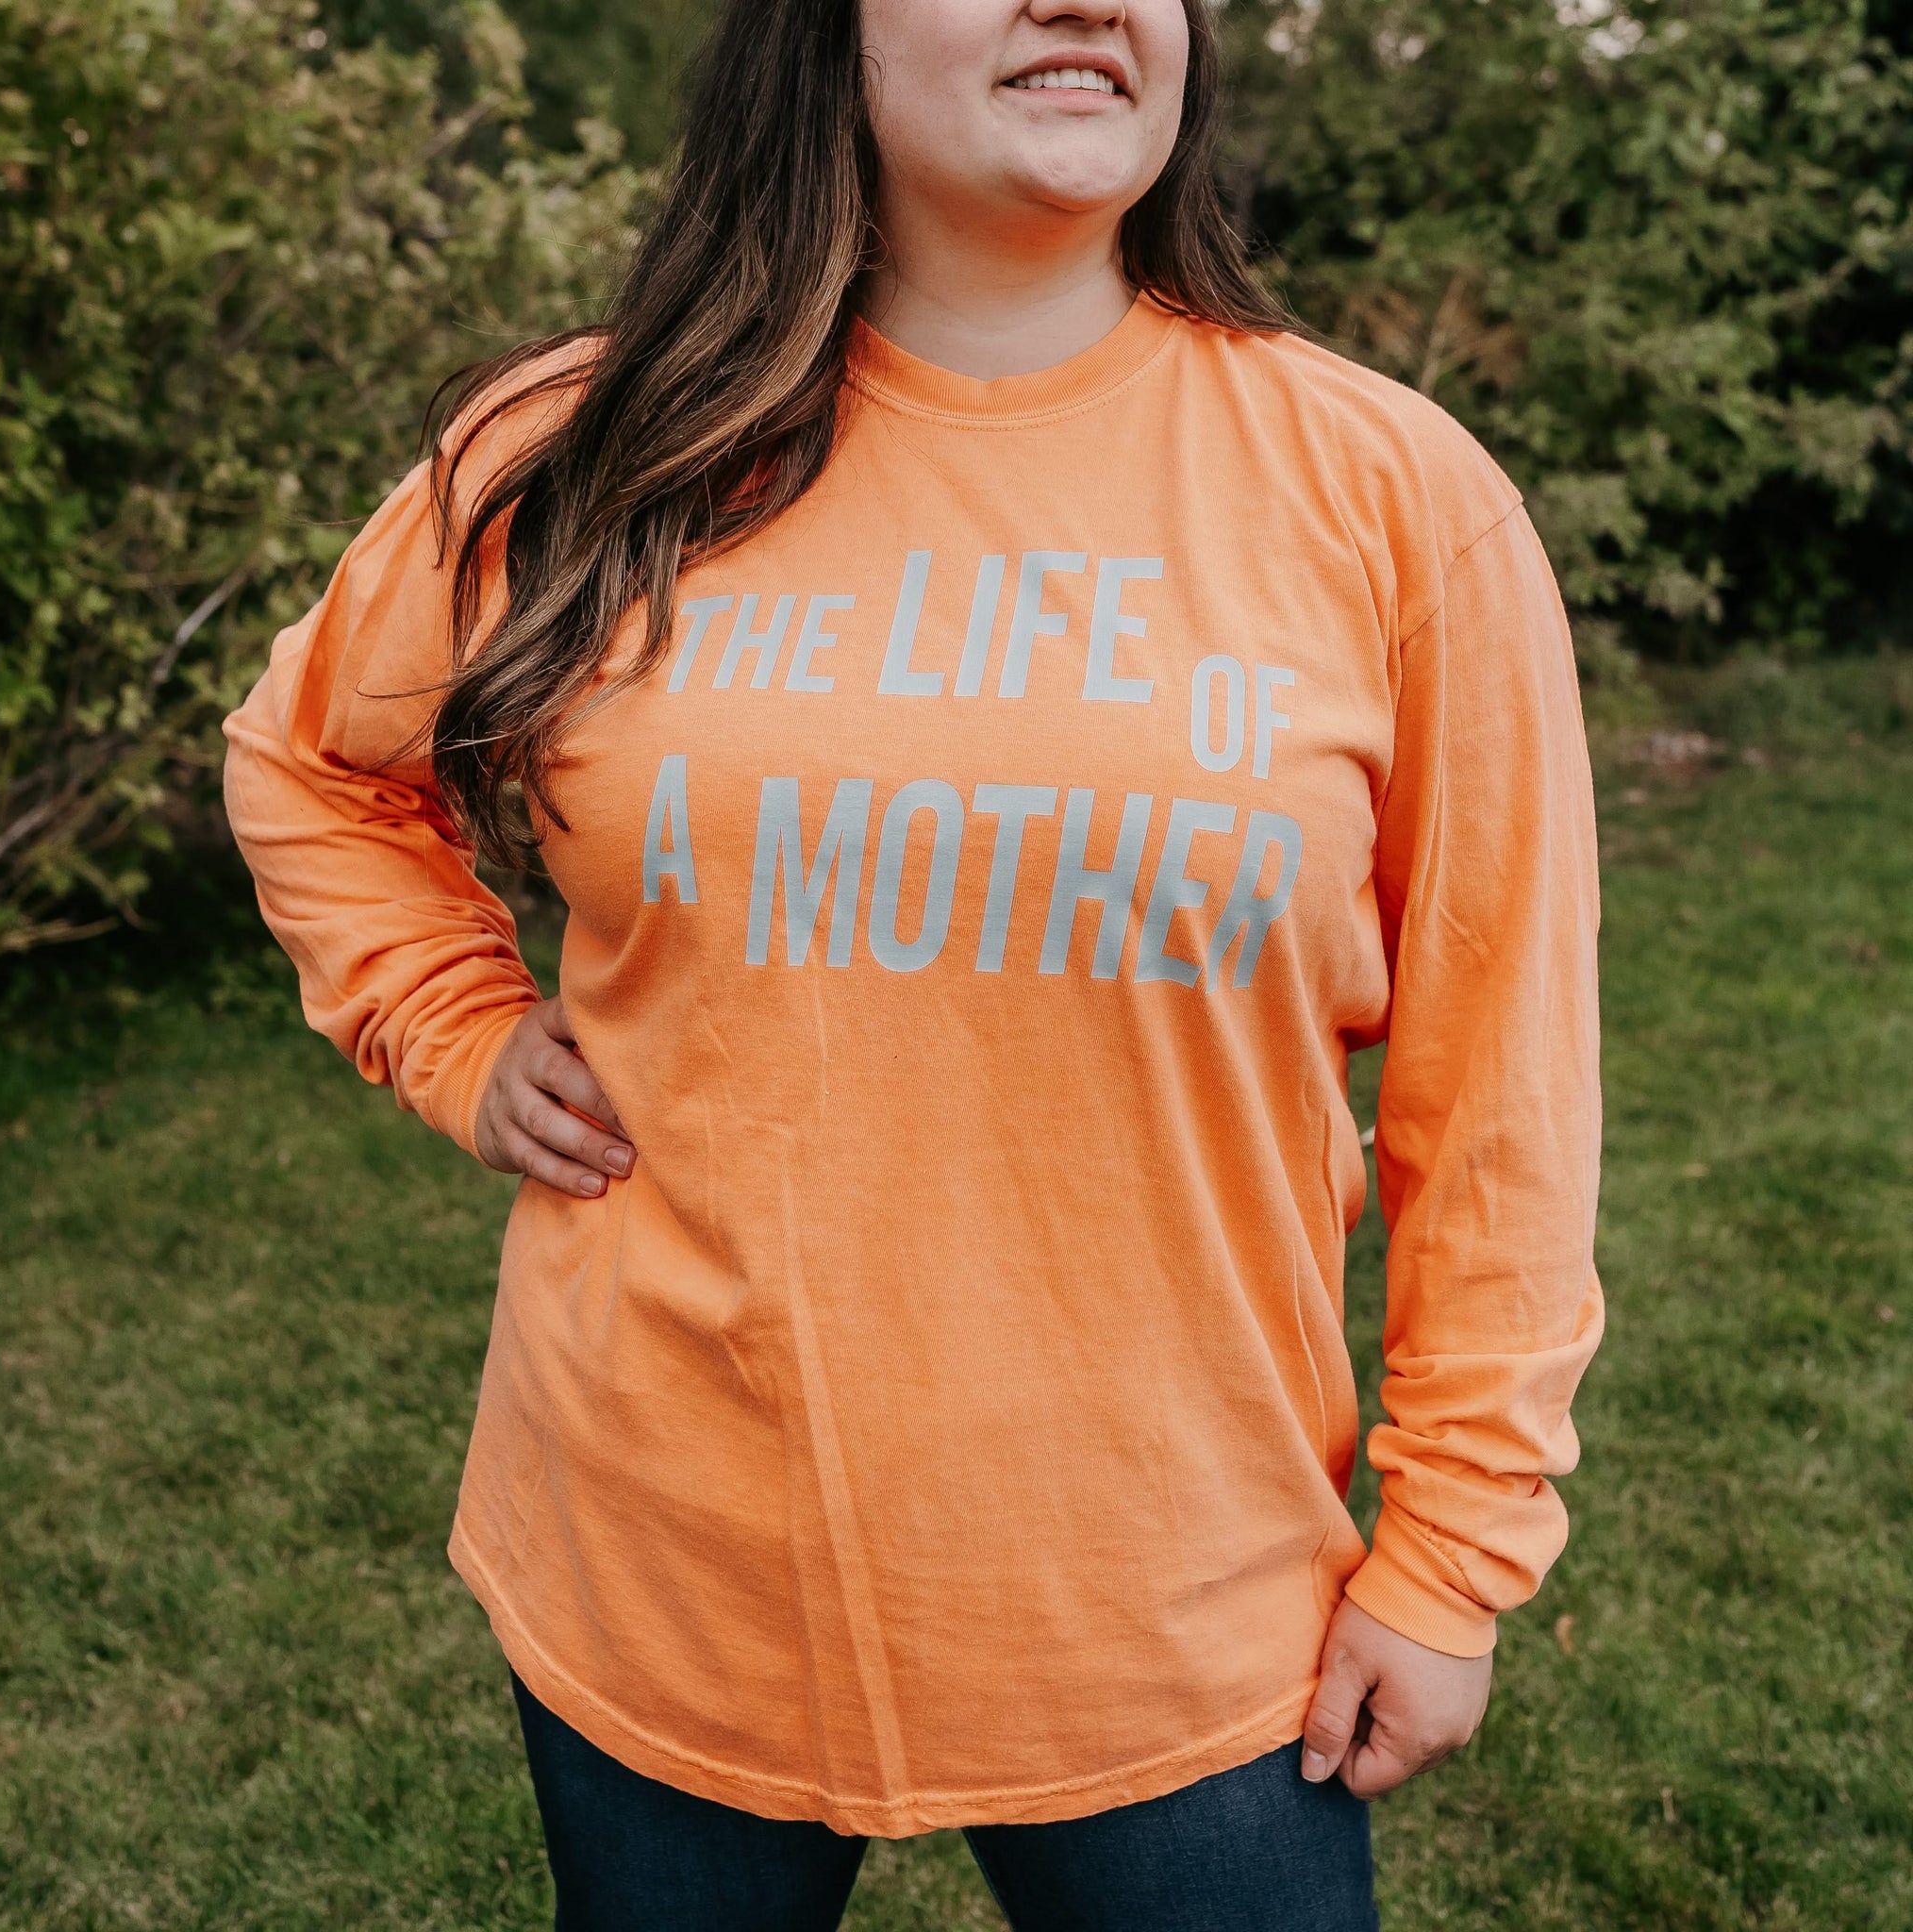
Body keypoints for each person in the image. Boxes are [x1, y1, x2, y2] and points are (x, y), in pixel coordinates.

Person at [223, 0, 1605, 1924]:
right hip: (666, 1552)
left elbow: (1503, 1072)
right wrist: (450, 1021)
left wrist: (1452, 1546)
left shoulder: (1389, 492)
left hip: (1180, 1595)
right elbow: (309, 761)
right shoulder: (592, 441)